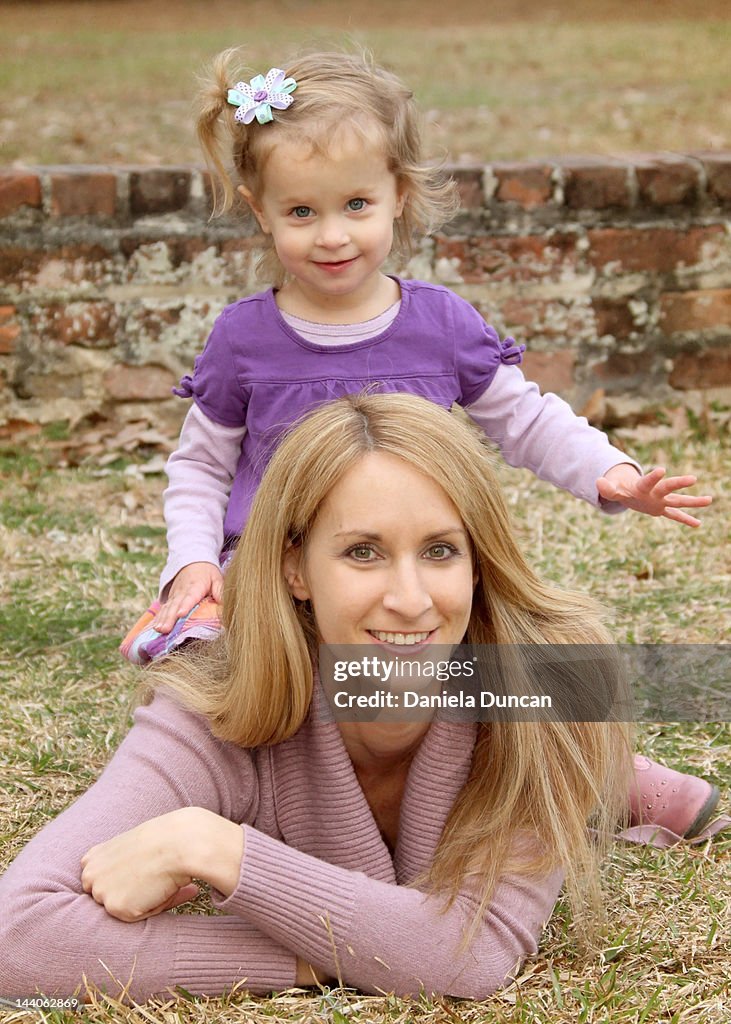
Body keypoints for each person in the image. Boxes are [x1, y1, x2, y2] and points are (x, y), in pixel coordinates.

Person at [116, 49, 721, 844]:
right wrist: (193, 561)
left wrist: (612, 475)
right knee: (231, 686)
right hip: (281, 576)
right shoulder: (244, 341)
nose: (332, 236)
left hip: (415, 571)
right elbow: (200, 464)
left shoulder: (439, 325)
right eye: (301, 212)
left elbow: (525, 419)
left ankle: (599, 773)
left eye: (356, 204)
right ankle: (260, 801)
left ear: (399, 194)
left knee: (507, 666)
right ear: (257, 209)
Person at [0, 393, 641, 1003]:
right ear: (295, 568)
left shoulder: (552, 690)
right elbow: (17, 940)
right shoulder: (215, 706)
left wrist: (213, 847)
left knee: (585, 752)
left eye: (441, 550)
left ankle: (626, 778)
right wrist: (351, 954)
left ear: (477, 562)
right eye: (364, 552)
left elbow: (470, 955)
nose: (412, 599)